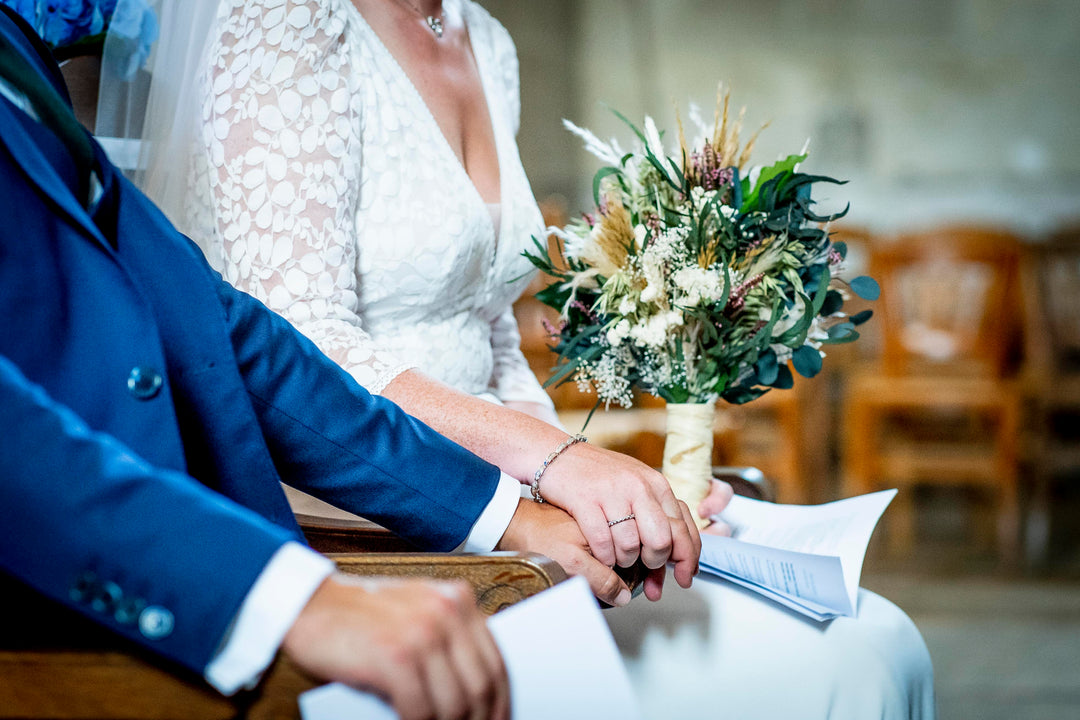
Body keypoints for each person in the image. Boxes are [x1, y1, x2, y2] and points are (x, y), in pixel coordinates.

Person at [124, 1, 935, 717]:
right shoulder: (286, 19)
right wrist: (551, 472)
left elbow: (493, 327)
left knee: (880, 636)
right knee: (844, 670)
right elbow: (300, 349)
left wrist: (600, 494)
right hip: (369, 516)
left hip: (515, 500)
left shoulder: (486, 38)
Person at [0, 7, 666, 719]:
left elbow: (223, 331)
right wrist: (277, 592)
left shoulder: (15, 53)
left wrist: (510, 504)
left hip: (274, 531)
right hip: (108, 586)